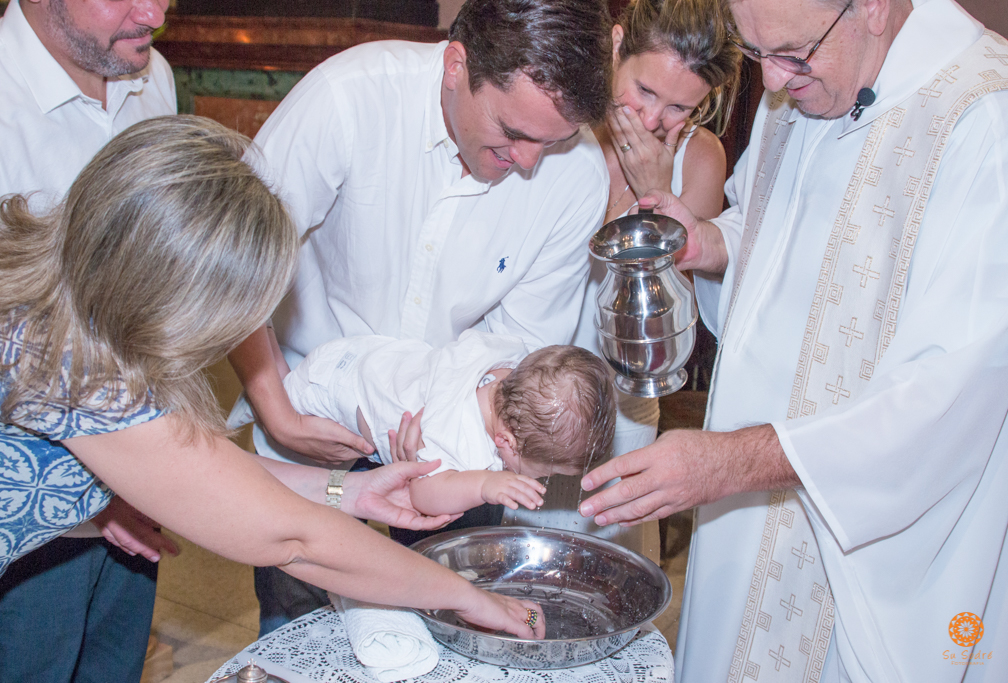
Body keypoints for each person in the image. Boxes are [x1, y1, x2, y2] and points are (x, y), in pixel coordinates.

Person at [0, 117, 547, 683]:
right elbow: (294, 538)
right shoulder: (79, 375)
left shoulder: (60, 309)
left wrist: (347, 489)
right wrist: (471, 598)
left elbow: (205, 467)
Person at [579, 0, 1008, 680]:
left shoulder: (982, 122)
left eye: (789, 55)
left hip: (866, 552)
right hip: (745, 520)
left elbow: (954, 394)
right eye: (755, 55)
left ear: (871, 7)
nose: (773, 84)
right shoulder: (809, 82)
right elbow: (779, 236)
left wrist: (732, 462)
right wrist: (711, 242)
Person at [228, 0, 613, 634]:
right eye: (512, 133)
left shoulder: (576, 176)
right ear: (457, 65)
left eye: (554, 140)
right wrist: (275, 406)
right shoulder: (349, 99)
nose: (530, 162)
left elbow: (523, 342)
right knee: (300, 622)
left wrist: (448, 412)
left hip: (462, 447)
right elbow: (233, 258)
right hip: (314, 409)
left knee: (450, 625)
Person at [503, 0, 741, 556]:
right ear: (615, 47)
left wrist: (657, 194)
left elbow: (671, 318)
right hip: (529, 381)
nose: (654, 119)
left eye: (681, 106)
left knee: (610, 572)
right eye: (645, 91)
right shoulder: (559, 123)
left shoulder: (699, 157)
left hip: (623, 398)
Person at [0, 0, 177, 680]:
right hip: (27, 494)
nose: (153, 13)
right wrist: (105, 483)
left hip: (140, 460)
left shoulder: (150, 74)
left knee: (112, 665)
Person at [256, 331, 616, 516]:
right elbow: (423, 495)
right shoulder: (458, 441)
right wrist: (484, 483)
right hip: (322, 399)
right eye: (543, 473)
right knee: (292, 500)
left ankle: (268, 349)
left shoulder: (500, 363)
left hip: (347, 354)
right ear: (505, 441)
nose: (541, 481)